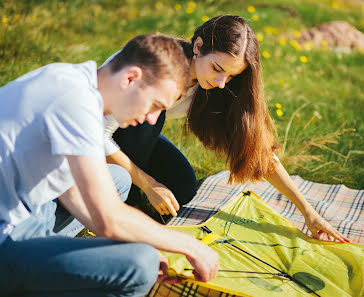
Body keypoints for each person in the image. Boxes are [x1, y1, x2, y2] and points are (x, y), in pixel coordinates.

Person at [0, 34, 219, 297]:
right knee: (140, 266)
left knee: (117, 183)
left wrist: (134, 239)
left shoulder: (73, 82)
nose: (152, 119)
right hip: (9, 235)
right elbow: (108, 220)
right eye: (154, 105)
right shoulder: (74, 105)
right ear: (130, 78)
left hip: (24, 213)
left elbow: (73, 193)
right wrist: (189, 245)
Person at [105, 15, 350, 242]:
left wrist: (308, 212)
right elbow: (94, 132)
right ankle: (126, 201)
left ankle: (133, 193)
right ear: (198, 46)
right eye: (218, 69)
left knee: (183, 185)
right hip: (93, 134)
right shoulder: (154, 62)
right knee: (151, 120)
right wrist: (147, 184)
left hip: (134, 134)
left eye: (231, 76)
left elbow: (256, 151)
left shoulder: (212, 85)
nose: (222, 83)